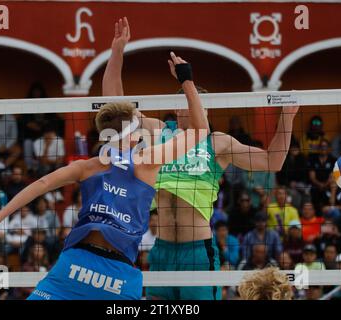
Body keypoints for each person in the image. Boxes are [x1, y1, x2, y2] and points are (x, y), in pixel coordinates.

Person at [0, 40, 210, 300]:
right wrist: (187, 81)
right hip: (117, 276)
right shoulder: (147, 161)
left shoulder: (87, 166)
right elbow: (201, 130)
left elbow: (41, 184)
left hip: (73, 266)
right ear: (133, 135)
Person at [103, 17, 299, 300]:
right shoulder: (159, 130)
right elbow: (113, 105)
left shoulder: (217, 142)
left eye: (201, 104)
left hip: (198, 251)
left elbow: (273, 161)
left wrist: (287, 118)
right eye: (189, 100)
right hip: (162, 250)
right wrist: (118, 50)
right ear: (177, 106)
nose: (196, 107)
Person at [307, 139, 337, 211]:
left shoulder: (333, 160)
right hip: (315, 185)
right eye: (321, 146)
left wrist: (325, 185)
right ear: (318, 148)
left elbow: (332, 176)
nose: (323, 148)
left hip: (328, 185)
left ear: (328, 148)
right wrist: (320, 185)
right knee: (313, 193)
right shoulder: (313, 159)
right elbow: (312, 177)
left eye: (325, 146)